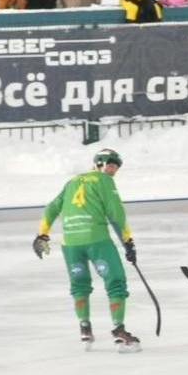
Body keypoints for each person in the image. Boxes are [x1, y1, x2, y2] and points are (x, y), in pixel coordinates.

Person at [32, 147, 141, 352]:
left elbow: (52, 207)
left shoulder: (72, 181)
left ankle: (85, 328)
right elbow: (115, 213)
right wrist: (128, 242)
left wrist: (43, 234)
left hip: (70, 243)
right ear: (99, 163)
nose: (112, 171)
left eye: (115, 168)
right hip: (96, 239)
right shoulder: (104, 181)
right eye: (110, 165)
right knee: (115, 281)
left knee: (79, 285)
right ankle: (119, 331)